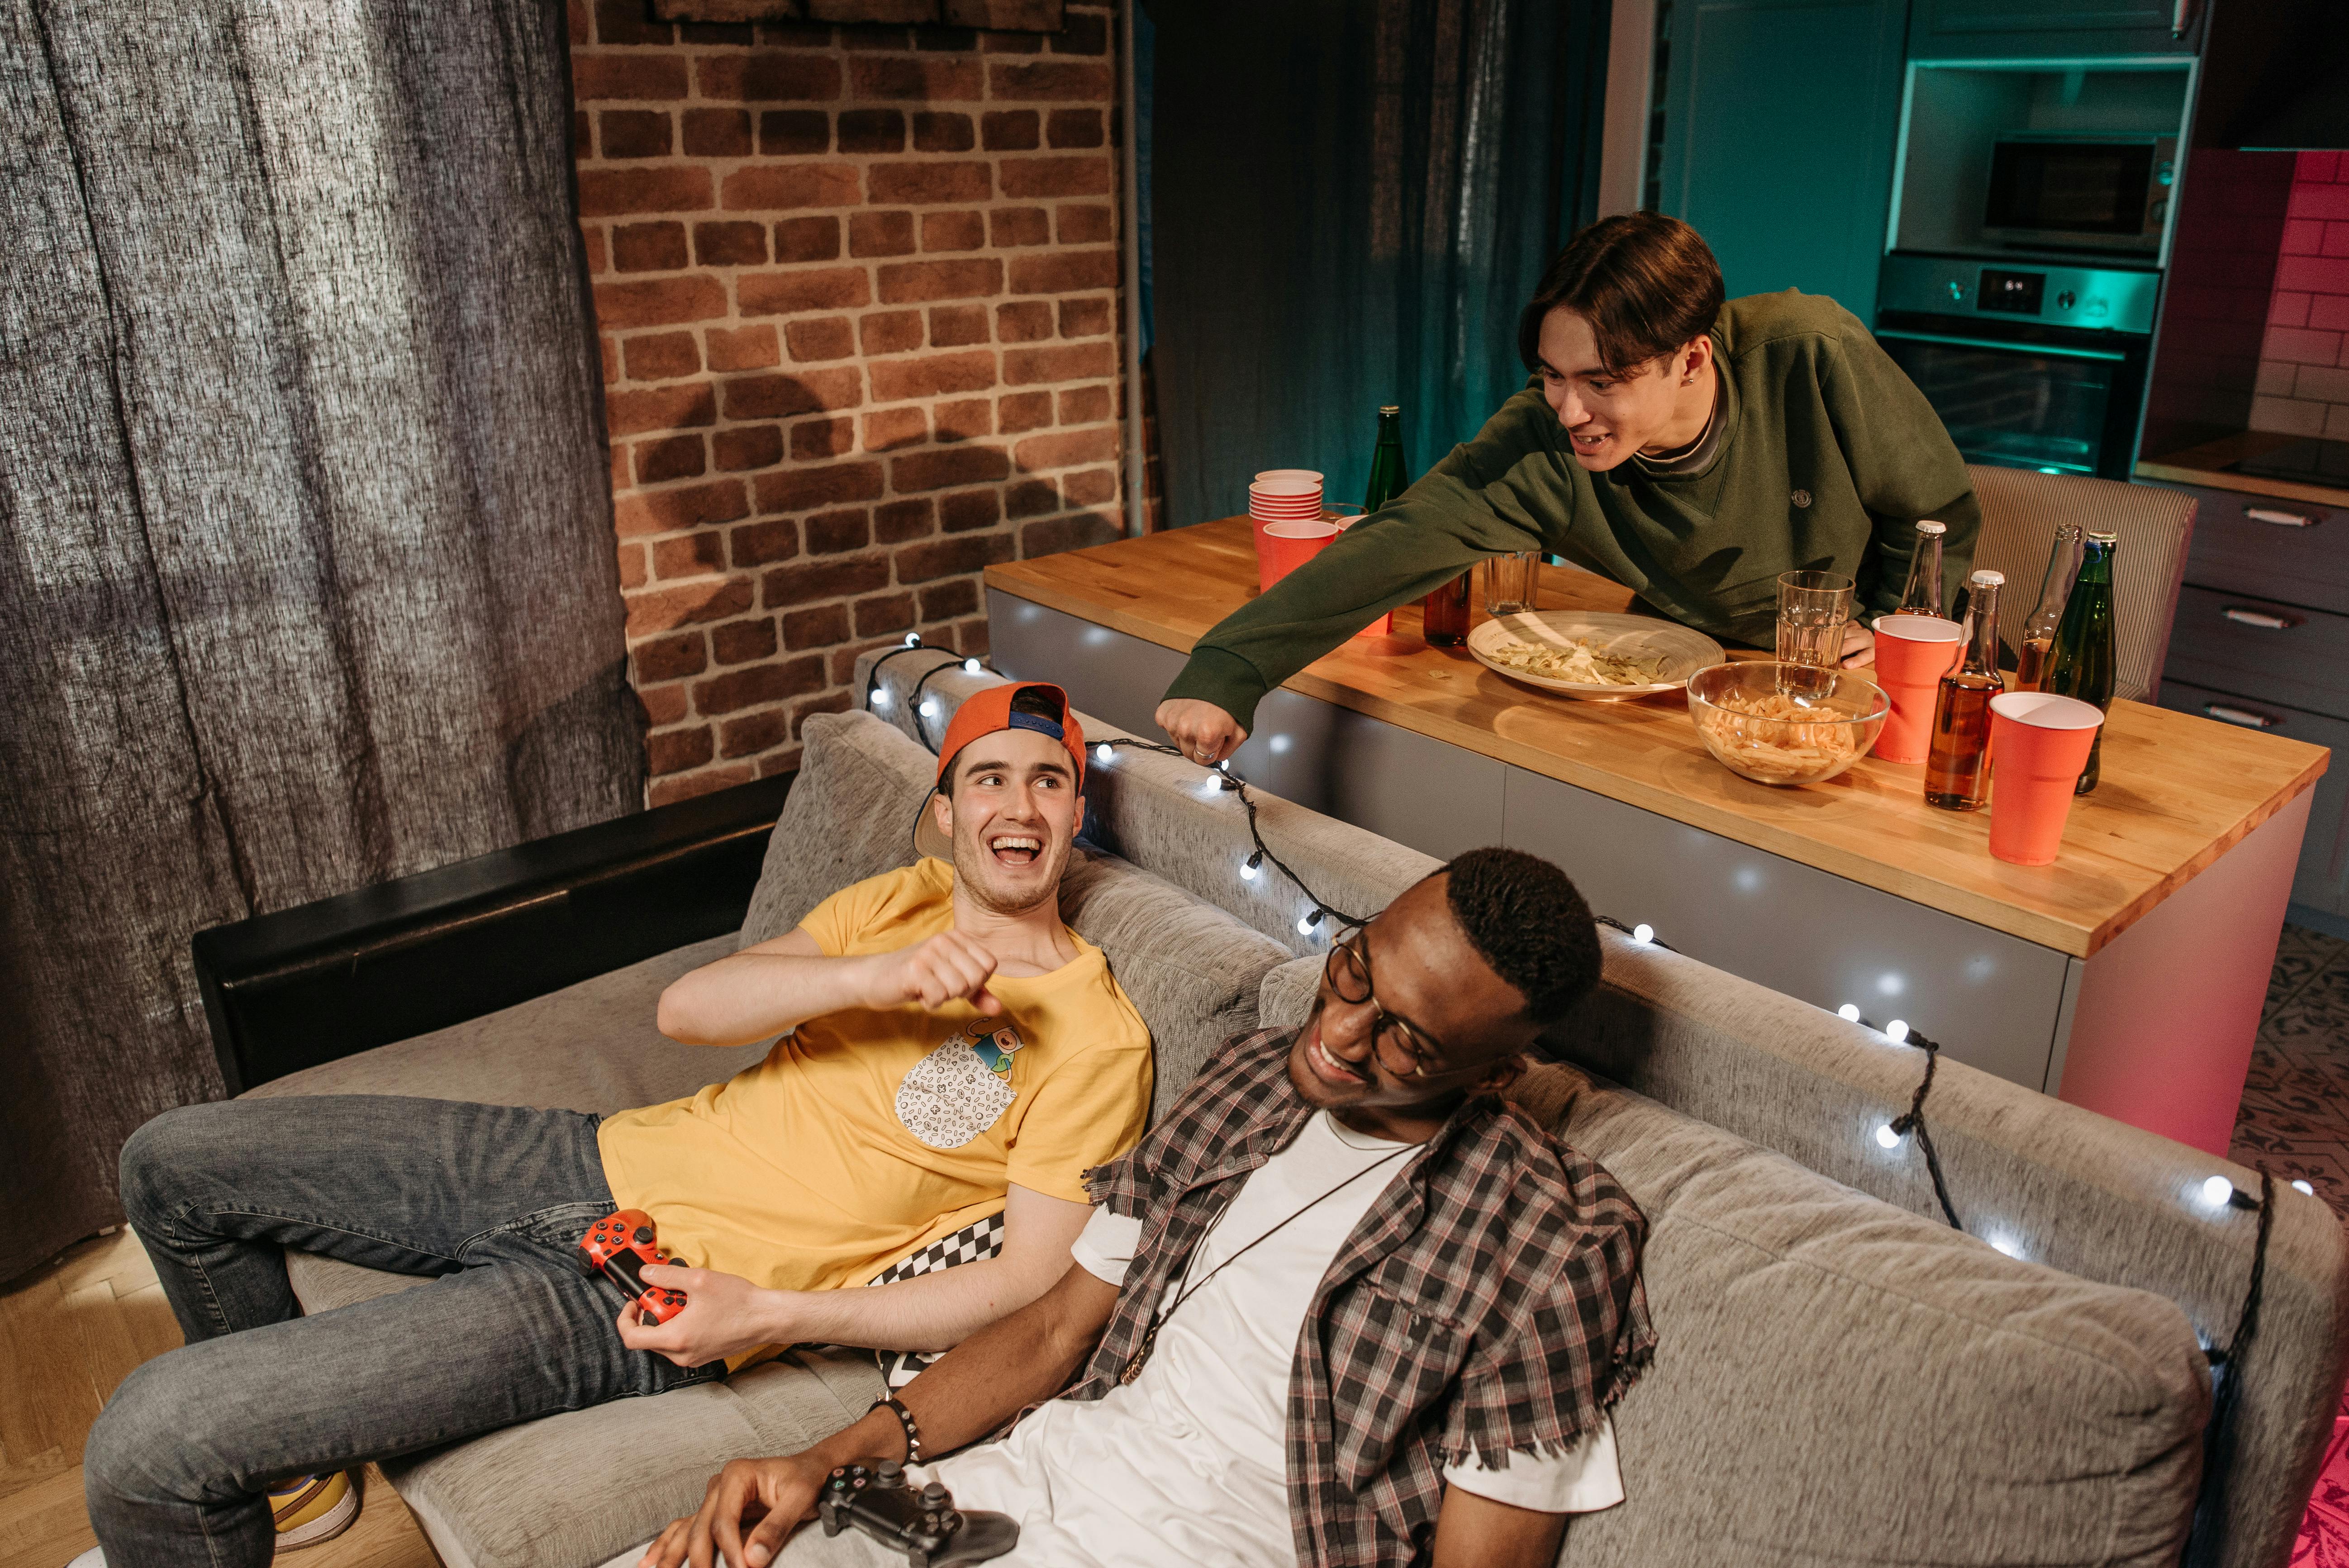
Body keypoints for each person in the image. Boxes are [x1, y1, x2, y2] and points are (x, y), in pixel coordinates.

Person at [78, 683, 1154, 1568]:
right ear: (949, 809)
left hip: (653, 1285)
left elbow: (1027, 1288)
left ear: (1074, 815)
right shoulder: (900, 904)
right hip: (584, 1153)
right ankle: (300, 1483)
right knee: (167, 1159)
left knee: (151, 1438)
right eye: (990, 777)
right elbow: (684, 1010)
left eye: (1048, 780)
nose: (1019, 805)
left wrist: (764, 1312)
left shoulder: (1097, 1032)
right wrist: (881, 977)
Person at [623, 847, 1653, 1568]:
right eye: (1353, 970)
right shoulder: (1252, 1075)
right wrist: (825, 1457)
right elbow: (1055, 1327)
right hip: (1022, 1487)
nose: (1338, 1034)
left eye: (1407, 1043)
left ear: (1499, 1071)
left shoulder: (1555, 1238)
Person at [1157, 212, 1981, 767]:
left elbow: (1937, 513)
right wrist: (1229, 666)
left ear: (1691, 358)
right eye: (1551, 376)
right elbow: (1398, 539)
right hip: (1686, 690)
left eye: (1602, 380)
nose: (1570, 410)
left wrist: (1885, 627)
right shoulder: (1542, 437)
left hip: (1847, 696)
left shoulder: (1809, 351)